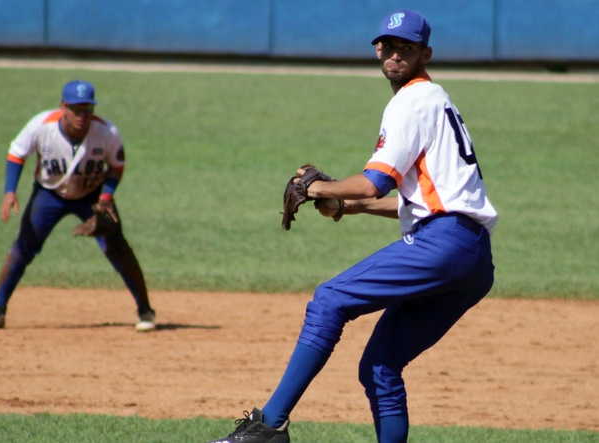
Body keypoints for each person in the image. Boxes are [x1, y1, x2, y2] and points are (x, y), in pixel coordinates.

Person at [208, 9, 497, 443]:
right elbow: (421, 199)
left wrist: (318, 189)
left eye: (407, 47)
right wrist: (350, 206)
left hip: (444, 244)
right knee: (380, 366)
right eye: (390, 45)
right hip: (472, 259)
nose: (396, 53)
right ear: (378, 49)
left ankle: (269, 426)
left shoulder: (412, 101)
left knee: (329, 301)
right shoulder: (438, 101)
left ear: (425, 53)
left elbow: (373, 183)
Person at [0, 80, 157, 332]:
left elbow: (116, 167)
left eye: (87, 109)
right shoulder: (41, 126)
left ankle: (145, 310)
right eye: (76, 109)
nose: (82, 116)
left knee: (118, 248)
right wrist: (10, 191)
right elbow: (16, 154)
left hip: (93, 195)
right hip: (49, 194)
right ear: (63, 106)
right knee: (23, 247)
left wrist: (105, 199)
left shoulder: (107, 133)